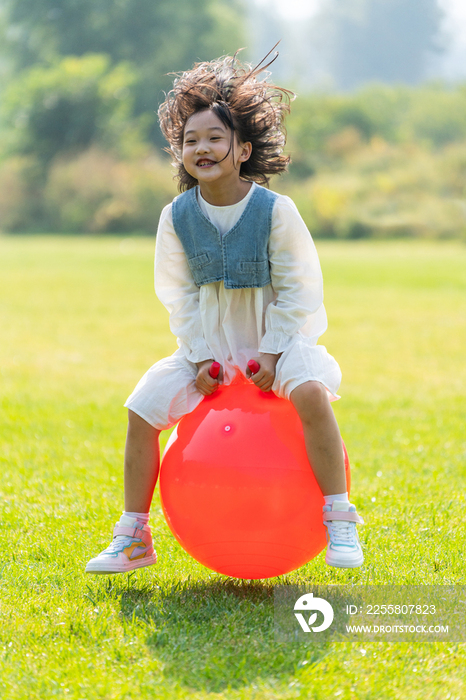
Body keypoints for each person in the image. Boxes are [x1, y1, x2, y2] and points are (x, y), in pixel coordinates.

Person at [85, 48, 364, 575]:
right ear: (180, 153)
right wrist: (197, 358)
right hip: (209, 347)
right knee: (141, 408)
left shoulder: (275, 211)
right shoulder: (177, 216)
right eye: (190, 140)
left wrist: (275, 352)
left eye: (215, 137)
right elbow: (178, 295)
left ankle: (338, 516)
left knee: (309, 393)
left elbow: (300, 288)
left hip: (276, 341)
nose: (202, 148)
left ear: (243, 150)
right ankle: (134, 535)